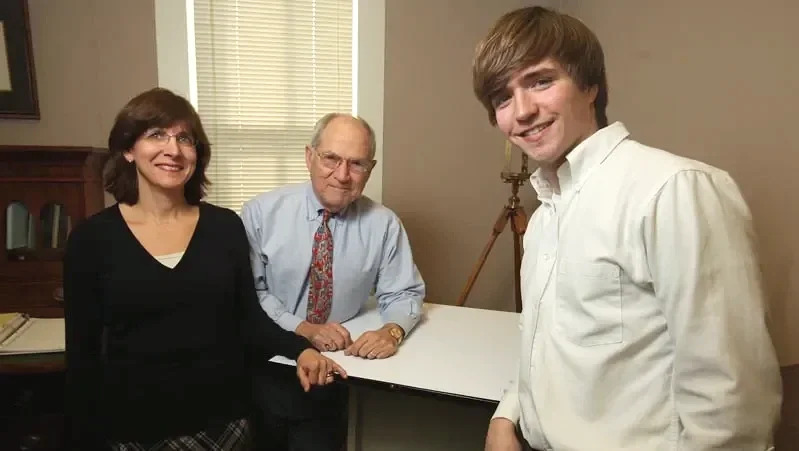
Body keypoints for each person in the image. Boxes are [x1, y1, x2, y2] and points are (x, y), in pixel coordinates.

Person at [471, 6, 782, 451]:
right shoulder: (543, 219)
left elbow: (731, 400)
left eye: (541, 81)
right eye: (503, 97)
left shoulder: (673, 191)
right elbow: (541, 347)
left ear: (590, 84)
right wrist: (507, 416)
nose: (521, 111)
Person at [63, 87, 346, 451]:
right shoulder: (91, 240)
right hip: (133, 430)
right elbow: (82, 358)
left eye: (185, 138)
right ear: (128, 149)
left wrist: (301, 350)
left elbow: (248, 319)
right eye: (156, 135)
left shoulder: (224, 227)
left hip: (224, 424)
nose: (173, 149)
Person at [241, 112, 425, 450]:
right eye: (331, 159)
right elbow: (251, 293)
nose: (342, 175)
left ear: (370, 169)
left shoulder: (384, 225)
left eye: (357, 164)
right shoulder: (260, 213)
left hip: (338, 370)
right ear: (309, 157)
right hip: (267, 364)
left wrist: (392, 331)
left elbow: (403, 292)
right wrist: (304, 328)